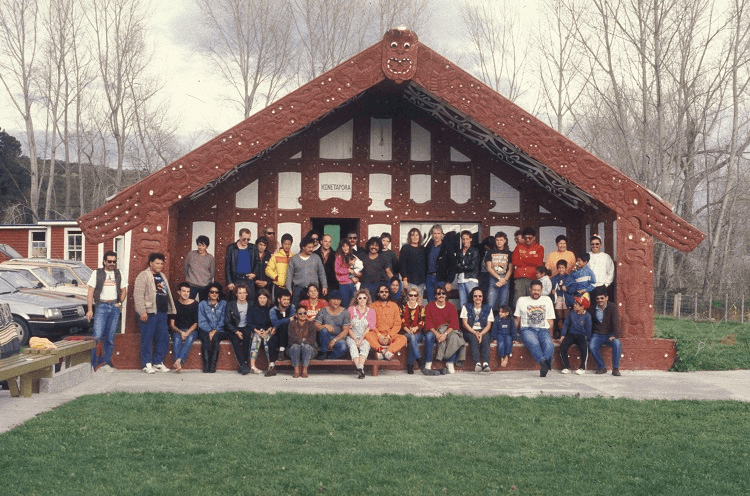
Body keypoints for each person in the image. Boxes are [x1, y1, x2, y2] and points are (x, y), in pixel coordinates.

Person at [134, 252, 176, 374]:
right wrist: (142, 311)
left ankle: (158, 362)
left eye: (161, 263)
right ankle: (147, 364)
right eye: (157, 263)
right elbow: (138, 295)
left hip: (162, 312)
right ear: (151, 263)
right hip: (149, 312)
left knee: (163, 337)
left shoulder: (162, 275)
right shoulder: (143, 275)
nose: (159, 266)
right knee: (147, 338)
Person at [86, 250, 127, 372]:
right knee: (97, 336)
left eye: (114, 261)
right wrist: (89, 310)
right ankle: (94, 364)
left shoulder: (119, 274)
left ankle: (106, 363)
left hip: (114, 306)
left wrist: (119, 303)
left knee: (110, 337)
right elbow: (90, 292)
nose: (112, 264)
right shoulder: (97, 273)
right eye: (109, 261)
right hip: (101, 306)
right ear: (104, 262)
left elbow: (124, 290)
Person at [514, 279, 555, 377]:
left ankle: (543, 362)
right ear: (530, 290)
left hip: (543, 330)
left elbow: (550, 321)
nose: (536, 292)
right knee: (534, 343)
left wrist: (551, 335)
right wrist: (514, 335)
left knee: (549, 344)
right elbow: (517, 320)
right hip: (527, 329)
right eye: (534, 290)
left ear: (541, 291)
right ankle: (543, 363)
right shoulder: (522, 300)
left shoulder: (547, 300)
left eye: (538, 290)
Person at [423, 285, 464, 374]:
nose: (441, 295)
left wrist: (445, 334)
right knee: (429, 337)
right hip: (434, 330)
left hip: (447, 330)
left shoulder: (451, 307)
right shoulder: (429, 306)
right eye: (439, 293)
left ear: (446, 295)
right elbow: (428, 323)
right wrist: (437, 334)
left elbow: (454, 323)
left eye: (443, 293)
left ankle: (450, 362)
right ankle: (428, 362)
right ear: (435, 296)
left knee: (454, 337)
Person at [366, 283, 407, 360]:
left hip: (390, 336)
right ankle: (381, 350)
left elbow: (398, 324)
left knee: (403, 338)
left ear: (389, 293)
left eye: (386, 292)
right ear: (378, 293)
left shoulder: (394, 305)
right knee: (368, 335)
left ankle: (389, 351)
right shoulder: (372, 306)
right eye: (382, 292)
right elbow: (371, 323)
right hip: (377, 335)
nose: (384, 293)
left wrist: (389, 336)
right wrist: (379, 335)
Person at [588, 288, 622, 376]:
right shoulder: (592, 309)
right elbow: (590, 324)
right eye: (598, 299)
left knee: (617, 344)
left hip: (610, 334)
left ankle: (615, 369)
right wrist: (589, 337)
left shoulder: (612, 307)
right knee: (592, 346)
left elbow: (616, 322)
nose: (600, 300)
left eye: (602, 298)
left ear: (606, 298)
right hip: (597, 334)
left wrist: (616, 335)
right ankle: (601, 366)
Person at [286, 236, 328, 306]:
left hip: (313, 290)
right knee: (297, 309)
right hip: (298, 290)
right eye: (309, 247)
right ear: (303, 247)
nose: (311, 249)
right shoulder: (294, 259)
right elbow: (289, 275)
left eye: (312, 247)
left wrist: (324, 286)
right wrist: (289, 289)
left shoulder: (316, 258)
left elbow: (321, 273)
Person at [460, 287, 493, 372]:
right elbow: (464, 324)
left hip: (483, 330)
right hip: (469, 330)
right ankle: (477, 363)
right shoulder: (466, 307)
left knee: (486, 339)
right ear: (472, 297)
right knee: (473, 339)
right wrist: (475, 332)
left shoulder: (488, 308)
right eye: (475, 296)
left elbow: (488, 325)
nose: (478, 298)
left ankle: (486, 364)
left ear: (483, 297)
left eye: (480, 296)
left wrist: (481, 334)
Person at [169, 282, 199, 373]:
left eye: (188, 291)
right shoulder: (174, 304)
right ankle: (178, 362)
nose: (186, 293)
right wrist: (181, 332)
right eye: (184, 291)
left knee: (189, 339)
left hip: (191, 330)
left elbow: (196, 323)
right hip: (178, 330)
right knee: (177, 340)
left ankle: (178, 360)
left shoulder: (195, 304)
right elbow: (172, 324)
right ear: (179, 292)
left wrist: (187, 332)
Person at [197, 282, 227, 373]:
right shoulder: (202, 304)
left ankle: (212, 365)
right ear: (208, 293)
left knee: (216, 338)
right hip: (205, 329)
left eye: (216, 292)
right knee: (205, 339)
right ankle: (206, 365)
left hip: (220, 329)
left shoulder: (223, 304)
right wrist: (210, 330)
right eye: (212, 292)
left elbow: (223, 320)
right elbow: (201, 321)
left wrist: (215, 330)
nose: (214, 294)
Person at [224, 283, 253, 375]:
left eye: (244, 293)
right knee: (235, 341)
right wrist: (236, 331)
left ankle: (244, 364)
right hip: (234, 328)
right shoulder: (230, 305)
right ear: (236, 294)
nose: (242, 295)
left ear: (247, 294)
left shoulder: (251, 304)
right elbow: (227, 322)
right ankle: (243, 364)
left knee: (247, 337)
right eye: (240, 293)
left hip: (246, 327)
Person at [559, 294, 592, 374]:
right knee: (563, 347)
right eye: (575, 303)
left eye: (577, 304)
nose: (574, 305)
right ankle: (566, 366)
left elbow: (588, 329)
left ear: (582, 307)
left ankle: (582, 367)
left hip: (581, 335)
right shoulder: (572, 313)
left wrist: (588, 339)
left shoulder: (587, 316)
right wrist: (563, 335)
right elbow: (566, 324)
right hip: (572, 334)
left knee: (584, 349)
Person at [314, 290, 351, 360]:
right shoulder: (323, 311)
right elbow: (316, 324)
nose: (336, 302)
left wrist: (334, 340)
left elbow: (345, 330)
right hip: (325, 338)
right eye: (334, 299)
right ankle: (323, 352)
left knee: (343, 346)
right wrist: (324, 326)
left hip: (338, 338)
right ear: (329, 300)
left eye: (338, 300)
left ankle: (330, 358)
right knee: (323, 330)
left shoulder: (345, 312)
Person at [512, 227, 544, 307]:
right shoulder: (518, 247)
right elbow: (515, 261)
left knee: (531, 300)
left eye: (530, 238)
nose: (528, 240)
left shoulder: (539, 248)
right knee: (518, 300)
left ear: (534, 238)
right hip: (520, 278)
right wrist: (531, 259)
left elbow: (538, 262)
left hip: (533, 278)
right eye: (525, 238)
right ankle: (518, 318)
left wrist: (522, 259)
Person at [347, 289, 376, 379]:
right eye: (360, 298)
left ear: (367, 299)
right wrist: (355, 339)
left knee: (366, 346)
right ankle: (360, 368)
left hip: (365, 336)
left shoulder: (371, 311)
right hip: (352, 335)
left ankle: (360, 367)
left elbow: (369, 328)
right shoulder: (351, 310)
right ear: (357, 299)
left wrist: (361, 339)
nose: (362, 300)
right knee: (352, 346)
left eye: (364, 298)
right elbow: (348, 327)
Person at [424, 225, 455, 303]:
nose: (436, 235)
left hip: (441, 279)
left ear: (442, 234)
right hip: (429, 278)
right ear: (432, 234)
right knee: (430, 302)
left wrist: (449, 281)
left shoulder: (447, 247)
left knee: (442, 302)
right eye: (434, 233)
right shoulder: (428, 247)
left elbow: (452, 265)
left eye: (438, 233)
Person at [248, 288, 275, 375]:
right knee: (256, 339)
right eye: (260, 298)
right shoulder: (253, 307)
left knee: (267, 341)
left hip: (267, 330)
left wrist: (267, 331)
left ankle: (269, 366)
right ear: (257, 298)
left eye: (264, 298)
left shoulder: (271, 308)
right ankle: (252, 366)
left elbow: (273, 321)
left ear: (267, 298)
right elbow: (250, 322)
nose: (262, 300)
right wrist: (257, 331)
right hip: (256, 330)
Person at [484, 231, 513, 312]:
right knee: (490, 303)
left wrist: (504, 280)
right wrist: (499, 278)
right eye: (497, 240)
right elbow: (489, 268)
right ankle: (489, 323)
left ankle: (501, 322)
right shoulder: (490, 252)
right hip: (494, 278)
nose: (499, 242)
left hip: (505, 279)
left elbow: (510, 269)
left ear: (505, 241)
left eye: (501, 240)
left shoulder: (509, 253)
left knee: (503, 304)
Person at [287, 304, 318, 378]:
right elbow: (291, 339)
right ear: (296, 315)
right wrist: (302, 341)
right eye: (300, 313)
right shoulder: (292, 324)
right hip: (294, 349)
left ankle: (304, 370)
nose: (303, 315)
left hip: (309, 348)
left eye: (304, 313)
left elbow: (312, 340)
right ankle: (296, 370)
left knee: (306, 347)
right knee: (295, 346)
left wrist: (301, 342)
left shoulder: (311, 325)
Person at [225, 228, 256, 300]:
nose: (246, 241)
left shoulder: (253, 248)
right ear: (239, 237)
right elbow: (228, 266)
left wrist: (254, 274)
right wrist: (229, 282)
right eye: (244, 239)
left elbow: (257, 262)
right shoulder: (231, 248)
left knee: (250, 301)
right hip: (236, 279)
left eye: (248, 239)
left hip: (248, 279)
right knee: (234, 301)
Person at [401, 285, 425, 374]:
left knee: (413, 339)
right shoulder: (403, 308)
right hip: (405, 332)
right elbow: (401, 321)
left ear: (417, 297)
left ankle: (410, 365)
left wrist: (415, 328)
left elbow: (422, 322)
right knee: (412, 337)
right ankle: (419, 359)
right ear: (408, 296)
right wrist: (408, 329)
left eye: (415, 295)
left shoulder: (421, 308)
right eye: (411, 295)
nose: (413, 297)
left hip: (417, 333)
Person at [184, 235, 215, 300]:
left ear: (206, 246)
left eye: (203, 246)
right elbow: (185, 268)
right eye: (199, 245)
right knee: (189, 303)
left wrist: (207, 282)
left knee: (203, 305)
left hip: (204, 286)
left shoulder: (210, 258)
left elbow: (212, 272)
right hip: (191, 285)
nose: (200, 247)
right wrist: (189, 279)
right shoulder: (191, 254)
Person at [455, 230, 480, 309]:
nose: (465, 241)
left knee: (473, 302)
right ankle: (464, 321)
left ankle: (473, 321)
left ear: (471, 239)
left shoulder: (475, 251)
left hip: (471, 279)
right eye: (463, 239)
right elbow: (456, 265)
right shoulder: (459, 252)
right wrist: (463, 266)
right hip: (460, 280)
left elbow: (472, 266)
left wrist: (461, 266)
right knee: (463, 304)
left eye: (467, 239)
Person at [550, 260, 575, 338]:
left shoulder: (570, 278)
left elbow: (574, 289)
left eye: (563, 268)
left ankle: (566, 334)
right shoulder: (554, 278)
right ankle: (560, 333)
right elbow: (549, 289)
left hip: (566, 299)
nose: (561, 269)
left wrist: (566, 289)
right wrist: (552, 292)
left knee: (566, 317)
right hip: (558, 299)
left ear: (566, 268)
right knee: (559, 317)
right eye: (559, 268)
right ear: (557, 268)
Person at [269, 288, 295, 362]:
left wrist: (284, 321)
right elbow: (276, 324)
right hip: (278, 334)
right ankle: (272, 363)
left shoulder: (292, 307)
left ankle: (282, 351)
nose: (286, 302)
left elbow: (292, 323)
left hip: (290, 333)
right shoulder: (273, 310)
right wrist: (288, 319)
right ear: (279, 300)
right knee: (281, 328)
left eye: (288, 299)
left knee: (284, 326)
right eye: (284, 299)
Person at [400, 227, 426, 294]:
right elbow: (402, 265)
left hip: (421, 282)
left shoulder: (423, 249)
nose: (415, 237)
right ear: (410, 237)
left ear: (419, 237)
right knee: (410, 302)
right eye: (412, 235)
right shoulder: (405, 248)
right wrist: (404, 279)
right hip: (410, 281)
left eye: (417, 235)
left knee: (419, 302)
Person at [334, 241, 357, 309]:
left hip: (352, 283)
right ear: (341, 248)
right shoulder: (339, 257)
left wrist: (355, 274)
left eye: (347, 246)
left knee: (354, 304)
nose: (345, 248)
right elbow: (337, 270)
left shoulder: (352, 256)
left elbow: (356, 268)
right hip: (343, 284)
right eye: (343, 246)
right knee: (345, 305)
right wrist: (347, 271)